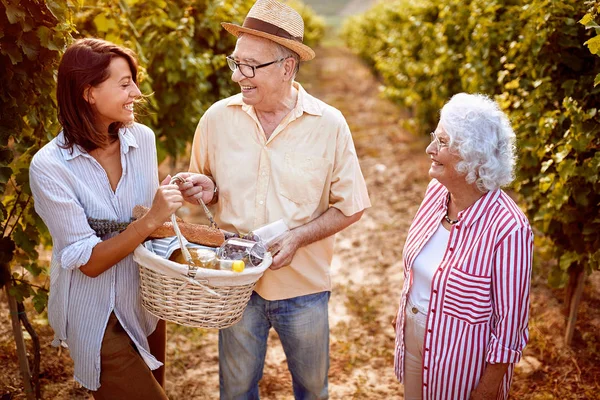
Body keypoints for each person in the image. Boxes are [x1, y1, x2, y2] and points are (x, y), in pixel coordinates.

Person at [176, 0, 371, 398]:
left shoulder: (329, 125)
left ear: (287, 67)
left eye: (251, 65)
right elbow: (207, 191)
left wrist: (298, 238)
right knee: (235, 391)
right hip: (235, 283)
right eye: (236, 62)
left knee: (313, 391)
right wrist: (205, 191)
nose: (238, 76)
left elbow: (351, 206)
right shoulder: (215, 119)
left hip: (303, 286)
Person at [29, 38, 182, 399]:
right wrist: (148, 221)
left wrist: (172, 197)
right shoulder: (49, 166)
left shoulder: (142, 140)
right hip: (96, 316)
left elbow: (152, 221)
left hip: (145, 302)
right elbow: (89, 263)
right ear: (89, 93)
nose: (137, 93)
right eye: (125, 83)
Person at [392, 93, 534, 400]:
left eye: (442, 142)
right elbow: (416, 270)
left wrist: (484, 392)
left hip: (461, 364)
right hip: (414, 334)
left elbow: (509, 329)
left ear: (473, 156)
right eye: (435, 138)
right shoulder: (435, 193)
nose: (430, 149)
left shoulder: (510, 229)